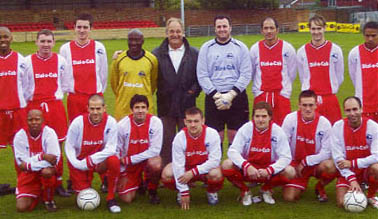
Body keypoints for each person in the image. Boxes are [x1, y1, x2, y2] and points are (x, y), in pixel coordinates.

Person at [25, 29, 70, 197]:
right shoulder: (27, 61)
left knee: (58, 145)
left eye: (48, 41)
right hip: (35, 107)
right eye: (42, 41)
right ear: (36, 42)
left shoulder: (61, 60)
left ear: (53, 43)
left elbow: (65, 84)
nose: (45, 45)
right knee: (35, 145)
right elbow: (23, 86)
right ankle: (35, 181)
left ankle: (57, 182)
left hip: (55, 106)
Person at [222, 102, 294, 205]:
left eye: (264, 116)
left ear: (270, 117)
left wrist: (270, 170)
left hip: (268, 170)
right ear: (253, 117)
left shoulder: (277, 131)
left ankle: (266, 189)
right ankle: (245, 191)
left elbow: (286, 157)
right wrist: (246, 166)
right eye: (257, 116)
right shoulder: (246, 128)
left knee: (290, 171)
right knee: (226, 164)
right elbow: (233, 151)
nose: (260, 120)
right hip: (249, 169)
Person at [197, 15, 252, 149]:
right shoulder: (206, 48)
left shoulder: (240, 47)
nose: (222, 29)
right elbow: (202, 75)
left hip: (237, 97)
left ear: (230, 28)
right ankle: (216, 168)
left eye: (225, 26)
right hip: (214, 98)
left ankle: (235, 168)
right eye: (219, 27)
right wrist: (217, 96)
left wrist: (231, 95)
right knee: (215, 137)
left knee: (237, 136)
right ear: (214, 29)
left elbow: (246, 73)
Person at [152, 17, 201, 166]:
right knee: (166, 140)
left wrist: (192, 92)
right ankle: (167, 171)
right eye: (171, 31)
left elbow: (200, 78)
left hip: (187, 104)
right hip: (165, 105)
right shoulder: (156, 54)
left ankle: (189, 170)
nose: (175, 34)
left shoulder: (194, 53)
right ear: (166, 33)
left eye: (178, 31)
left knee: (188, 139)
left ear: (183, 32)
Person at [65, 94, 121, 213]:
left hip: (97, 161)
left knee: (114, 160)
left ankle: (111, 197)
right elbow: (68, 146)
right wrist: (77, 163)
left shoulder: (111, 122)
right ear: (87, 108)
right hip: (79, 162)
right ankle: (81, 183)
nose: (95, 112)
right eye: (92, 108)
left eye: (98, 108)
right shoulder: (77, 123)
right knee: (83, 195)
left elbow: (111, 148)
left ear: (104, 108)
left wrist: (91, 160)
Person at [161, 107, 223, 210]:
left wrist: (193, 172)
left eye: (196, 121)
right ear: (185, 122)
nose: (193, 125)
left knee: (216, 174)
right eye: (189, 121)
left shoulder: (212, 134)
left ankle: (211, 191)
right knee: (167, 174)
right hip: (186, 169)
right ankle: (181, 190)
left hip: (204, 169)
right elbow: (178, 164)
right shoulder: (180, 137)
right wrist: (183, 190)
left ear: (203, 121)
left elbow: (215, 160)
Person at [281, 90, 335, 202]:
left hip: (314, 164)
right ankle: (295, 183)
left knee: (330, 165)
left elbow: (326, 152)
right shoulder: (290, 119)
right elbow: (282, 145)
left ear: (316, 105)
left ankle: (320, 186)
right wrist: (289, 164)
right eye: (304, 105)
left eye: (311, 105)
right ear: (299, 105)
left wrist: (306, 161)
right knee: (289, 198)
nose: (308, 109)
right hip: (295, 163)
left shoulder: (324, 123)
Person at [59, 13, 108, 122]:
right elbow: (63, 75)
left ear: (91, 29)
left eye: (85, 27)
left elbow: (103, 73)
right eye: (79, 27)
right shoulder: (65, 49)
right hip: (75, 98)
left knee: (97, 129)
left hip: (95, 97)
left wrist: (99, 91)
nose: (82, 30)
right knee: (77, 131)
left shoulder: (99, 47)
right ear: (74, 28)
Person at [331, 96, 378, 208]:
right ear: (344, 111)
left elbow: (377, 156)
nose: (352, 113)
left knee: (377, 167)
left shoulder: (373, 127)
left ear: (361, 109)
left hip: (366, 169)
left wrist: (353, 163)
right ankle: (358, 186)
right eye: (348, 110)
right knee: (342, 203)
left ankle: (371, 195)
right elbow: (338, 159)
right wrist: (352, 179)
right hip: (347, 171)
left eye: (355, 109)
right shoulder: (337, 127)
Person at [297, 14, 344, 124]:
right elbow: (302, 76)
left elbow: (340, 75)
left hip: (330, 99)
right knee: (310, 131)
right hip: (310, 100)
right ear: (309, 29)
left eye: (319, 28)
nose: (316, 32)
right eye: (313, 29)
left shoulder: (335, 50)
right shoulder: (302, 51)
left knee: (333, 131)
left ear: (324, 28)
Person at [0, 26, 30, 194]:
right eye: (0, 37)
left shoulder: (21, 60)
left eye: (6, 37)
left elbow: (26, 86)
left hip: (18, 111)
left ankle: (23, 182)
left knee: (19, 148)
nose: (3, 40)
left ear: (11, 38)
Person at [117, 94, 163, 204]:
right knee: (126, 199)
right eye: (137, 108)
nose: (140, 111)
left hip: (146, 162)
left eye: (143, 107)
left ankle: (152, 190)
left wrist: (130, 159)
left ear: (147, 109)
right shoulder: (122, 125)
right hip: (130, 167)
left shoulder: (155, 122)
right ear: (131, 109)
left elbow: (155, 150)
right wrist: (122, 173)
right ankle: (138, 183)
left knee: (156, 164)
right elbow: (117, 151)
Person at [250, 17, 296, 125]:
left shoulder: (287, 48)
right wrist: (258, 93)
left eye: (272, 28)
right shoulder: (255, 49)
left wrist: (284, 93)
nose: (269, 31)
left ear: (277, 30)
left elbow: (292, 73)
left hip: (281, 97)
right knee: (260, 128)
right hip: (262, 96)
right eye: (266, 28)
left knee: (283, 130)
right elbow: (252, 73)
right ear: (261, 30)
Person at [13, 109, 60, 212]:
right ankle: (37, 194)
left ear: (43, 120)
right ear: (26, 121)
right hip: (27, 175)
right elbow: (21, 164)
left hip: (44, 171)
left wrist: (30, 164)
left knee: (47, 172)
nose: (34, 122)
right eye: (31, 120)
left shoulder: (50, 133)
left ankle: (48, 199)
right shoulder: (20, 136)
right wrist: (41, 156)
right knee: (22, 208)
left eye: (37, 119)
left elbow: (53, 160)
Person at [111, 29, 158, 121]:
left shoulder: (151, 59)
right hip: (123, 108)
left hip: (144, 108)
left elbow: (153, 83)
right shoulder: (119, 59)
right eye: (130, 40)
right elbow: (114, 83)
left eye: (137, 40)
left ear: (142, 41)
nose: (133, 43)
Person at [348, 21, 378, 123]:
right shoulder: (355, 53)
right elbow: (353, 77)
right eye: (367, 36)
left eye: (374, 36)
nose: (370, 39)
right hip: (364, 106)